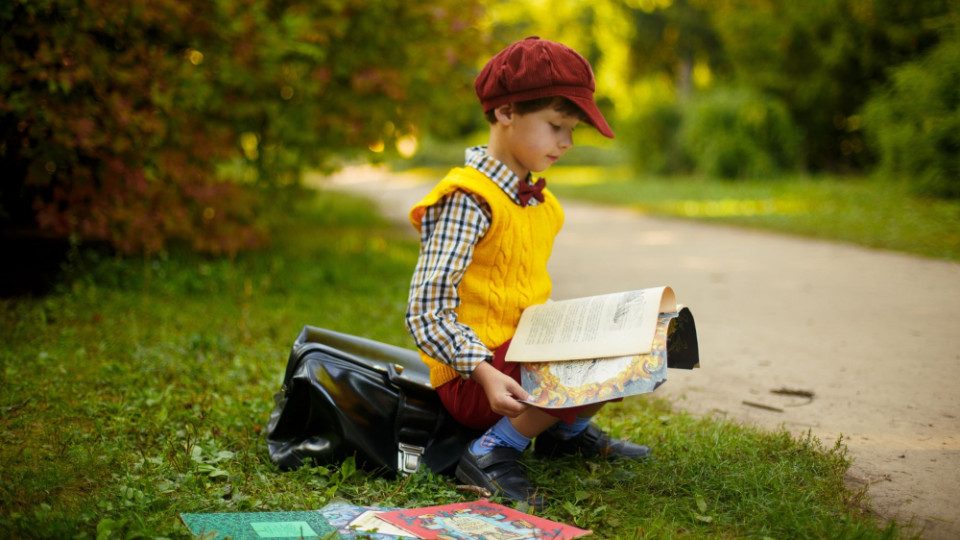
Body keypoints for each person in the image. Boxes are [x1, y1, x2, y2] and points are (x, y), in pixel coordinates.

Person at [405, 37, 650, 509]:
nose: (567, 143)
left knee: (639, 334)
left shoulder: (541, 203)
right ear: (506, 112)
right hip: (476, 378)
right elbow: (426, 312)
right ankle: (492, 451)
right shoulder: (468, 199)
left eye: (572, 130)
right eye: (557, 125)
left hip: (522, 351)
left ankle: (566, 435)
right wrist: (482, 373)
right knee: (591, 358)